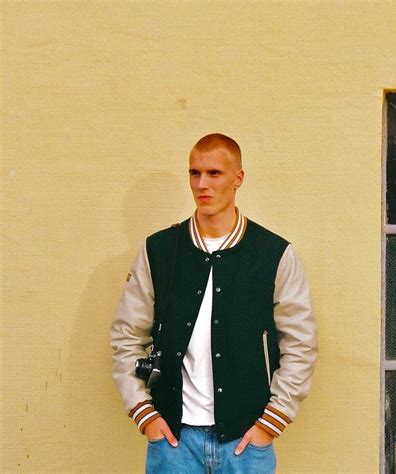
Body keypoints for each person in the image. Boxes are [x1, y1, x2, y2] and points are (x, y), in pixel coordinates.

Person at [111, 133, 318, 473]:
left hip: (245, 444)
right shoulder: (159, 250)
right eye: (195, 173)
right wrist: (144, 414)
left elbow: (301, 343)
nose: (202, 184)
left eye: (214, 173)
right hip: (173, 444)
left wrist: (271, 422)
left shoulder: (272, 254)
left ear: (238, 178)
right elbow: (127, 335)